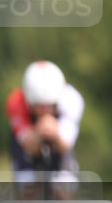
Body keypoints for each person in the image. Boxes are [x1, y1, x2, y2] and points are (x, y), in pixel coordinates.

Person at [6, 61, 84, 195]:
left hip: (57, 138)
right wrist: (38, 132)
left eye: (50, 105)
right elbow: (30, 147)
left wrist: (55, 134)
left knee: (64, 187)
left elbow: (65, 145)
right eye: (40, 106)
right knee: (27, 186)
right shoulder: (16, 102)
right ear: (29, 101)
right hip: (29, 140)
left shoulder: (72, 100)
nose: (45, 110)